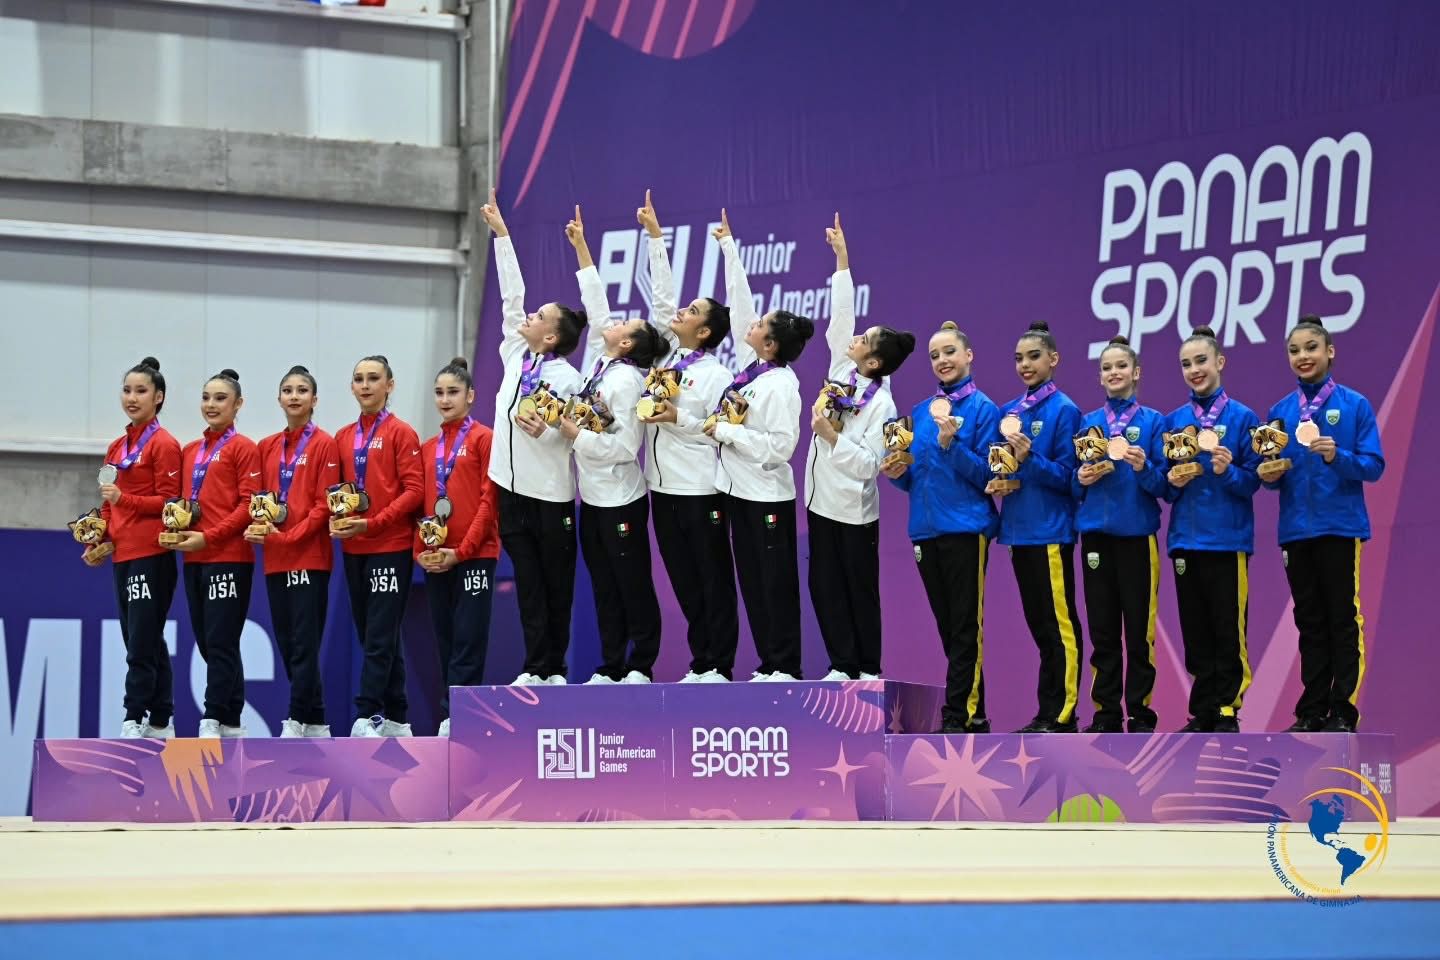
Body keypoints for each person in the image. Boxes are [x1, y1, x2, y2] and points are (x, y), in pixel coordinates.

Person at [479, 190, 586, 686]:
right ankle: (534, 667)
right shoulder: (514, 356)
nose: (529, 318)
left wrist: (549, 430)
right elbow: (511, 299)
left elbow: (577, 435)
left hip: (550, 496)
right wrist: (503, 236)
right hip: (511, 490)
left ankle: (555, 668)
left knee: (554, 584)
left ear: (552, 337)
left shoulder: (568, 378)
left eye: (540, 317)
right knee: (526, 585)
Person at [560, 206, 667, 686]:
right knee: (603, 585)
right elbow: (597, 305)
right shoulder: (601, 365)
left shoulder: (626, 381)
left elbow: (625, 447)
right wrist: (582, 247)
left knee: (632, 583)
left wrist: (576, 435)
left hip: (621, 497)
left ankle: (641, 663)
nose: (614, 322)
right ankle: (610, 664)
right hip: (593, 498)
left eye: (625, 325)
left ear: (627, 345)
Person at [805, 213, 915, 680]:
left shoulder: (883, 404)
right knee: (824, 587)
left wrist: (832, 437)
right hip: (818, 501)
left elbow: (871, 465)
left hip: (853, 510)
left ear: (874, 361)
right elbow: (841, 317)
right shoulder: (841, 370)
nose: (855, 337)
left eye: (865, 340)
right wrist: (842, 261)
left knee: (858, 589)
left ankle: (867, 667)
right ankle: (841, 664)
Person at [636, 190, 738, 683]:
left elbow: (722, 434)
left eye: (692, 310)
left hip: (700, 489)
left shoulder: (717, 375)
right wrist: (656, 238)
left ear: (705, 332)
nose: (681, 311)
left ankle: (721, 663)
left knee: (713, 577)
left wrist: (677, 418)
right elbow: (661, 302)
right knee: (683, 581)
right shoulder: (667, 359)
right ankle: (701, 662)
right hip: (662, 489)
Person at [1264, 315, 1384, 733]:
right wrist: (1269, 472)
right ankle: (1311, 710)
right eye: (1294, 350)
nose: (1303, 356)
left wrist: (1338, 456)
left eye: (1311, 348)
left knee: (1342, 618)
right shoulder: (1280, 412)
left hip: (1340, 527)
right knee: (1309, 621)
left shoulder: (1355, 405)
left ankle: (1343, 709)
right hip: (1296, 531)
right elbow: (1272, 474)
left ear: (1330, 351)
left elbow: (1374, 466)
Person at [709, 209, 815, 681]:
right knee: (752, 583)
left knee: (775, 584)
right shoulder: (753, 374)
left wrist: (725, 432)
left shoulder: (780, 386)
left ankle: (786, 665)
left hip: (767, 496)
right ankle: (768, 663)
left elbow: (779, 448)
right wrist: (729, 248)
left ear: (770, 345)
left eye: (760, 325)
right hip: (739, 493)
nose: (750, 324)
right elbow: (740, 306)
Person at [883, 322, 999, 732]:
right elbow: (914, 478)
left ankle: (959, 714)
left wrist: (953, 446)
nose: (942, 360)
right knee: (949, 628)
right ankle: (974, 712)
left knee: (966, 627)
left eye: (950, 352)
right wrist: (897, 473)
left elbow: (989, 475)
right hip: (925, 531)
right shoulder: (919, 413)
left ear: (968, 355)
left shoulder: (984, 410)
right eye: (935, 355)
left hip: (966, 529)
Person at [1164, 325, 1261, 733]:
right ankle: (1203, 709)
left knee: (1227, 628)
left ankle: (1226, 708)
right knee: (1196, 631)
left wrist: (1228, 472)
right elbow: (1165, 488)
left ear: (1220, 361)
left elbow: (1255, 480)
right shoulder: (1175, 421)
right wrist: (1172, 480)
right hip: (1185, 541)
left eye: (1201, 360)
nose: (1194, 370)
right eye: (1186, 364)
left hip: (1226, 540)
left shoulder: (1243, 418)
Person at [1072, 336, 1167, 733]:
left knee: (1140, 632)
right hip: (1095, 537)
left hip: (1137, 538)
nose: (1114, 373)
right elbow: (1074, 485)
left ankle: (1140, 713)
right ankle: (1106, 712)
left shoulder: (1154, 422)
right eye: (1107, 368)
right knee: (1103, 630)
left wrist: (1144, 467)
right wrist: (1080, 477)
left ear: (1136, 372)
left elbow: (1165, 485)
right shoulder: (1087, 423)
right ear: (1100, 377)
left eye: (1121, 366)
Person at [996, 322, 1084, 733]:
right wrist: (1001, 477)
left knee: (1058, 627)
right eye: (1019, 358)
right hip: (1018, 532)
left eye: (1034, 356)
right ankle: (1045, 713)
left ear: (1054, 359)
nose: (1025, 365)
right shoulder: (1009, 413)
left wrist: (1029, 459)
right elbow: (1003, 467)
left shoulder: (1065, 410)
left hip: (1050, 533)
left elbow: (1071, 478)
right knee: (1040, 629)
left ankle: (1062, 713)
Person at [89, 357, 183, 738]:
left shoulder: (164, 444)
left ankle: (134, 714)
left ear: (158, 397)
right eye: (127, 390)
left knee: (142, 641)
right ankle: (161, 720)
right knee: (142, 637)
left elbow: (170, 501)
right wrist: (100, 536)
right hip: (123, 555)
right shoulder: (116, 447)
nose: (132, 397)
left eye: (141, 391)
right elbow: (108, 504)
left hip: (153, 554)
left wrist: (124, 499)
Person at [333, 356, 424, 737]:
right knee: (376, 636)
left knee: (380, 636)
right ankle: (398, 718)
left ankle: (366, 713)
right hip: (354, 548)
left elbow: (415, 491)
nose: (366, 385)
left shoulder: (402, 433)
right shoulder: (342, 437)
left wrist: (375, 522)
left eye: (374, 378)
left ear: (390, 385)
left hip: (390, 546)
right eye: (359, 379)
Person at [167, 369, 261, 738]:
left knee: (222, 640)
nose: (211, 404)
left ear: (238, 404)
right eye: (206, 397)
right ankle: (232, 721)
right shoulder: (190, 451)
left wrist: (208, 538)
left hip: (230, 557)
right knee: (208, 642)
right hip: (194, 558)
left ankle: (213, 715)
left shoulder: (244, 448)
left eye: (220, 398)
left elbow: (248, 505)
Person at [246, 366, 339, 737]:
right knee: (286, 641)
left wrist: (288, 537)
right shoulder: (266, 447)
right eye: (288, 390)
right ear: (279, 398)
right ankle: (316, 721)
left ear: (314, 399)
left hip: (310, 557)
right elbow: (260, 501)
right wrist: (261, 527)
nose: (294, 396)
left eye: (302, 390)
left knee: (305, 642)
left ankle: (297, 717)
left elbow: (323, 505)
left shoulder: (325, 444)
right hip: (275, 559)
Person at [417, 358, 500, 737]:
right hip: (438, 558)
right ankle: (451, 716)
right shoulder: (428, 448)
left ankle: (461, 718)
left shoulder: (484, 439)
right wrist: (423, 551)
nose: (445, 399)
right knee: (446, 639)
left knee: (468, 639)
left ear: (470, 396)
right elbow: (422, 506)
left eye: (453, 392)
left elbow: (489, 500)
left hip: (475, 556)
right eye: (439, 393)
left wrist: (463, 552)